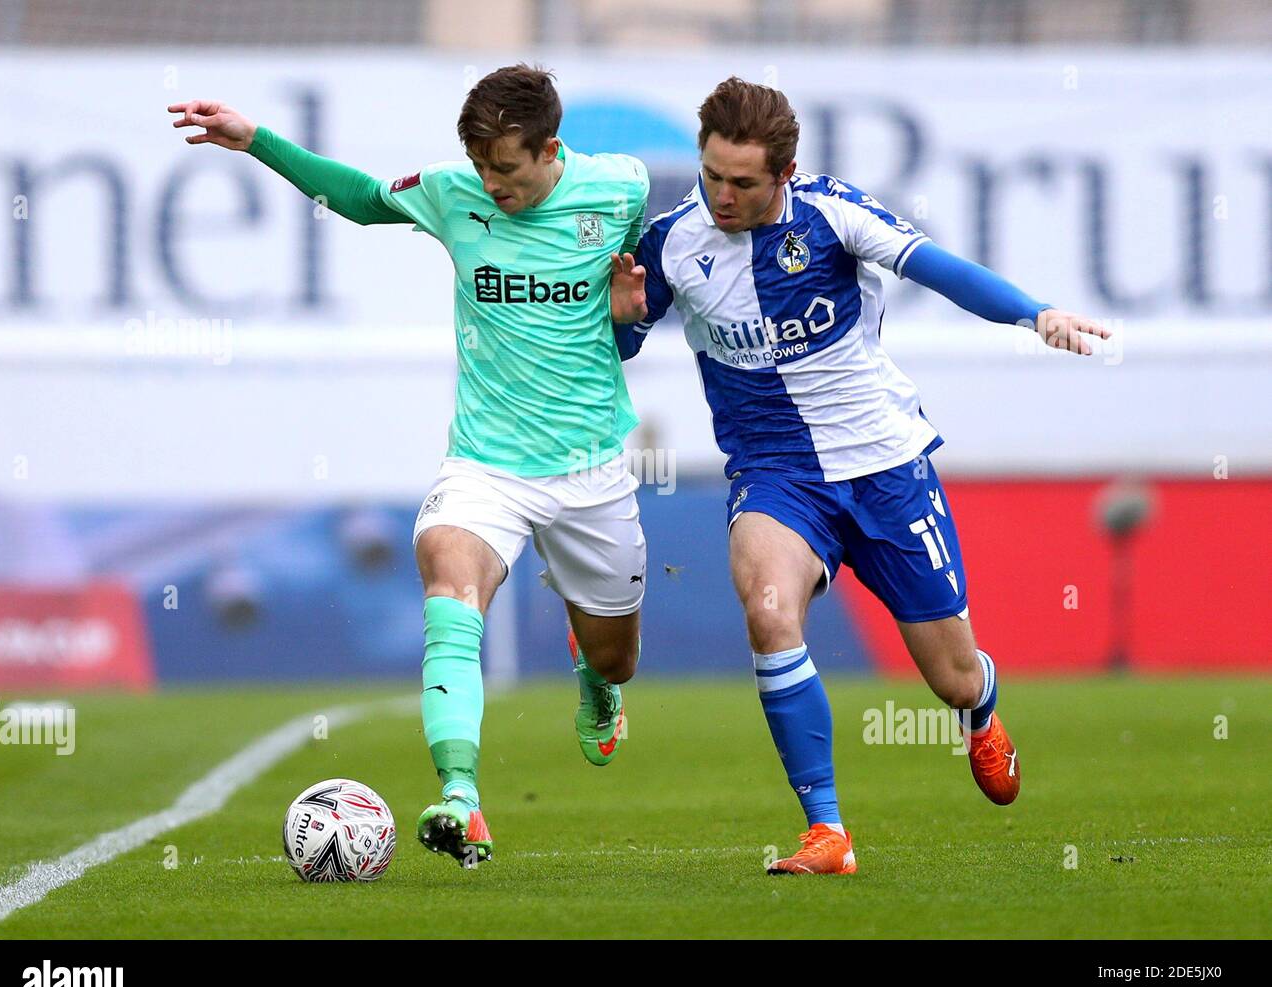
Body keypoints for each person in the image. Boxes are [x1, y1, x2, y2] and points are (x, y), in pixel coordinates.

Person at [611, 77, 1110, 875]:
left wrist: (1033, 312)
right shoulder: (674, 241)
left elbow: (941, 270)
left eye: (742, 182)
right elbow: (623, 346)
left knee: (948, 675)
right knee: (770, 612)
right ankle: (828, 831)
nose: (723, 195)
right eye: (711, 176)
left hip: (884, 469)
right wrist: (624, 321)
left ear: (786, 171)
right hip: (775, 478)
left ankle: (980, 708)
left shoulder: (832, 215)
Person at [171, 64, 650, 866]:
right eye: (482, 167)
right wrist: (253, 140)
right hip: (486, 466)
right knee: (446, 579)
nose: (491, 184)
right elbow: (357, 199)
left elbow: (633, 309)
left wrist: (630, 321)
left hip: (591, 469)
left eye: (507, 169)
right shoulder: (450, 192)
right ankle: (462, 796)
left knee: (616, 655)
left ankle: (596, 684)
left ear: (550, 149)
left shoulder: (622, 190)